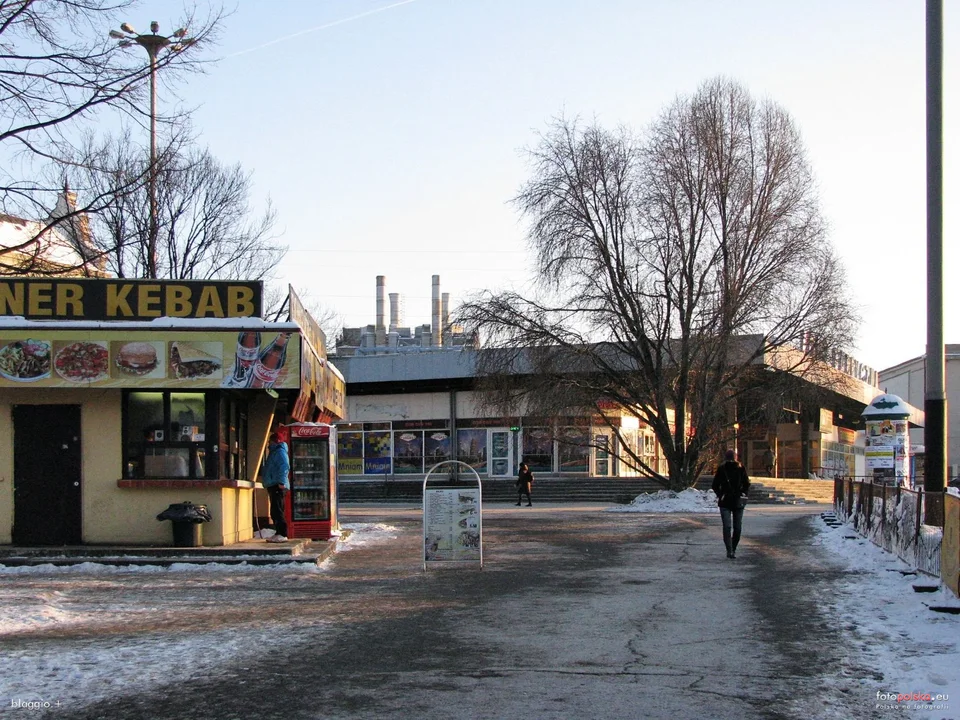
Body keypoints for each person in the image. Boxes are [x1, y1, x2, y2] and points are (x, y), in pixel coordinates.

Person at [712, 449, 750, 559]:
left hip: (734, 501)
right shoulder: (723, 469)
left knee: (732, 527)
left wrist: (721, 494)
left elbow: (746, 484)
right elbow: (715, 485)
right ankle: (730, 550)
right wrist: (722, 494)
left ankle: (731, 549)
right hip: (729, 502)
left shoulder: (740, 469)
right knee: (731, 527)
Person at [262, 431, 290, 542]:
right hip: (274, 484)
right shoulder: (275, 452)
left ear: (275, 441)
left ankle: (282, 533)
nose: (269, 443)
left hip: (277, 485)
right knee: (275, 510)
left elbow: (284, 467)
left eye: (270, 441)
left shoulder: (279, 452)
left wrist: (281, 482)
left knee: (277, 510)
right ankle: (279, 532)